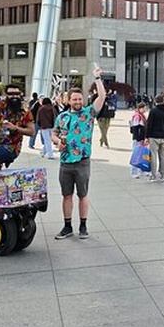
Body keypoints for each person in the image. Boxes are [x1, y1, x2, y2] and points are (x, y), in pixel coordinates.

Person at [52, 67, 106, 240]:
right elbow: (54, 133)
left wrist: (97, 77)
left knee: (82, 195)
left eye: (80, 98)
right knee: (66, 195)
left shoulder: (88, 113)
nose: (77, 101)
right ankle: (67, 226)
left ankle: (83, 225)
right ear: (68, 100)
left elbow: (102, 96)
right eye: (74, 99)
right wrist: (58, 141)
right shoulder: (62, 117)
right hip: (65, 162)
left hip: (82, 161)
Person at [144, 93, 164, 182]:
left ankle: (153, 175)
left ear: (155, 101)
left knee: (153, 156)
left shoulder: (153, 111)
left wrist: (146, 136)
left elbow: (149, 125)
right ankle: (162, 174)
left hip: (153, 136)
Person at [129, 102, 147, 178]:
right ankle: (134, 172)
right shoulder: (137, 116)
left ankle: (141, 170)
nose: (146, 109)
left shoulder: (142, 116)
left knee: (142, 155)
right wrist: (138, 138)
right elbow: (135, 129)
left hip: (141, 138)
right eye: (144, 107)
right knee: (136, 155)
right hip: (138, 138)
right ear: (140, 108)